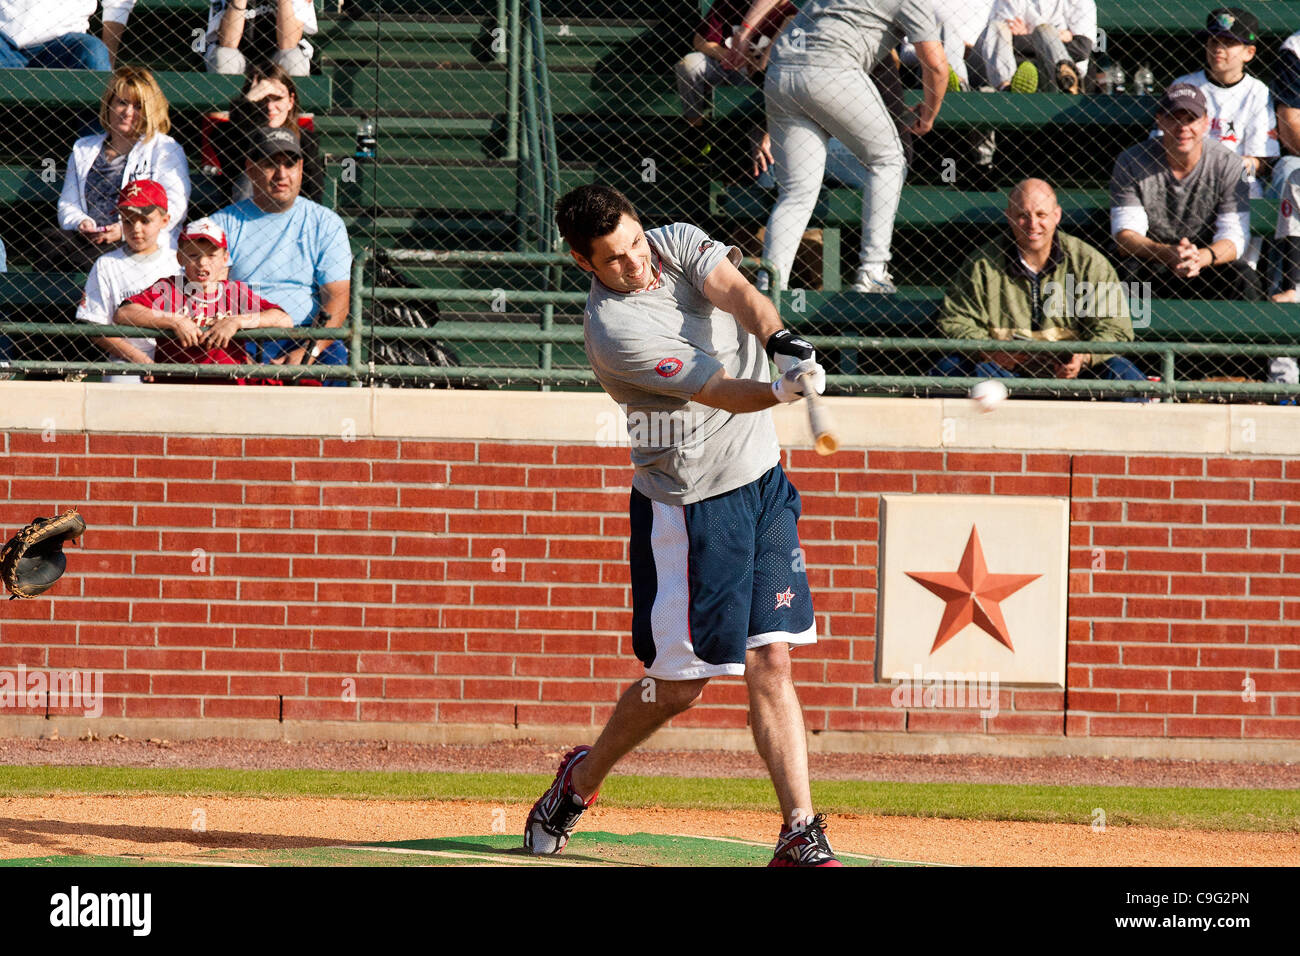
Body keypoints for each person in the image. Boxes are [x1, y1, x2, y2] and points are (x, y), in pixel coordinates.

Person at [525, 184, 837, 866]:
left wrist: (782, 340)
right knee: (680, 687)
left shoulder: (672, 239)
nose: (636, 264)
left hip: (761, 482)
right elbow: (719, 390)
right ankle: (577, 784)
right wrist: (781, 392)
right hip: (690, 508)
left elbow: (737, 294)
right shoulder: (617, 331)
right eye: (613, 259)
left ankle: (799, 830)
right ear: (586, 264)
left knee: (772, 655)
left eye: (635, 243)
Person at [730, 0, 949, 294]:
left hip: (781, 71)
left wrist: (744, 34)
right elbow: (935, 63)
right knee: (888, 160)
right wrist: (930, 114)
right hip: (832, 72)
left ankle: (769, 286)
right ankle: (873, 271)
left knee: (796, 193)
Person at [933, 178, 1145, 387]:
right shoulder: (982, 265)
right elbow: (955, 321)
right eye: (1023, 215)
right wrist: (991, 350)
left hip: (1075, 377)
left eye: (1041, 214)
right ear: (1009, 217)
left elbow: (1116, 329)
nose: (1033, 224)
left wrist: (1084, 357)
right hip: (1001, 374)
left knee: (1124, 374)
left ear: (1057, 216)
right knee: (949, 369)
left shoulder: (1088, 262)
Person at [211, 127, 352, 382]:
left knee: (336, 361)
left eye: (290, 164)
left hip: (305, 333)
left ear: (300, 168)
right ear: (250, 167)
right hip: (240, 334)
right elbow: (209, 292)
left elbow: (338, 300)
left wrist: (309, 350)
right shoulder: (221, 224)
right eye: (270, 164)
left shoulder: (326, 223)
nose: (282, 174)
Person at [1110, 83, 1258, 300]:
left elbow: (1234, 238)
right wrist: (1167, 254)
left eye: (1191, 119)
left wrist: (1200, 257)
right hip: (1152, 259)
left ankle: (1248, 335)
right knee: (1121, 271)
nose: (1183, 127)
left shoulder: (1230, 164)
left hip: (1207, 261)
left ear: (1206, 122)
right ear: (1159, 119)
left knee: (1245, 279)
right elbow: (1126, 235)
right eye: (1174, 118)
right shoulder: (1131, 161)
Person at [114, 217, 292, 384]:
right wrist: (175, 321)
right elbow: (124, 313)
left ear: (224, 259)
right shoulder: (169, 288)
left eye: (212, 255)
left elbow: (284, 320)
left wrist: (236, 321)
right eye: (193, 255)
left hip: (229, 387)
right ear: (180, 257)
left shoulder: (235, 292)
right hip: (176, 387)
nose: (203, 263)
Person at [47, 66, 190, 272]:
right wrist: (82, 223)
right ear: (109, 105)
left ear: (150, 110)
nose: (128, 112)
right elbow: (68, 204)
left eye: (138, 106)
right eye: (122, 102)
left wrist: (125, 230)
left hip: (137, 239)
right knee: (48, 242)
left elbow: (175, 208)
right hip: (91, 240)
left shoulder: (165, 149)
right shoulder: (83, 148)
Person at [75, 180, 178, 383]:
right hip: (126, 359)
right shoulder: (107, 263)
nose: (136, 229)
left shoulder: (177, 262)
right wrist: (140, 360)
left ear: (165, 220)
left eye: (145, 221)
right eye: (128, 221)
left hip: (176, 357)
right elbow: (95, 327)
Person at [207, 63, 324, 204]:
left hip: (292, 218)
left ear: (291, 101)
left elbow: (313, 193)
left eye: (277, 98)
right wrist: (248, 105)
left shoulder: (305, 141)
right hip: (244, 216)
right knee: (251, 178)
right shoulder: (226, 134)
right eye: (262, 99)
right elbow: (236, 159)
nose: (269, 106)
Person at [675, 0, 797, 129]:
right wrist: (728, 55)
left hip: (760, 80)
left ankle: (759, 140)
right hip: (722, 65)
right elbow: (699, 40)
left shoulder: (791, 13)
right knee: (689, 64)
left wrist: (757, 65)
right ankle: (695, 128)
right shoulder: (731, 3)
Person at [974, 0, 1096, 94]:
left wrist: (1026, 35)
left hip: (1052, 73)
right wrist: (1060, 38)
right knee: (997, 27)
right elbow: (999, 42)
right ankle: (1006, 87)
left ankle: (1067, 80)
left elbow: (1081, 49)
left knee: (1045, 32)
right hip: (1017, 71)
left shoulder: (1081, 2)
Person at [0, 0, 135, 70]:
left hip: (64, 45)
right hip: (4, 41)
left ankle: (99, 124)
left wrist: (108, 60)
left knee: (94, 52)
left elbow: (117, 3)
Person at [204, 0, 317, 76]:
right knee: (224, 56)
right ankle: (225, 111)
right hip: (237, 55)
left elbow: (289, 43)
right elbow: (228, 42)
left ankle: (289, 110)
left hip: (277, 56)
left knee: (293, 58)